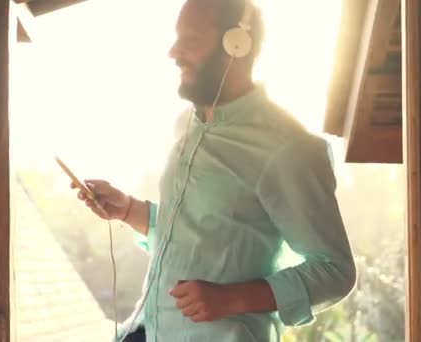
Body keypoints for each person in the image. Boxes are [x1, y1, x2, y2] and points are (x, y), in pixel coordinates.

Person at [73, 0, 357, 341]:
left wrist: (231, 298)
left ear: (236, 43)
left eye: (190, 39)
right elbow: (204, 233)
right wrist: (130, 210)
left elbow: (335, 270)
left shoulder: (287, 148)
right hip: (149, 331)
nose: (174, 53)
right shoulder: (185, 127)